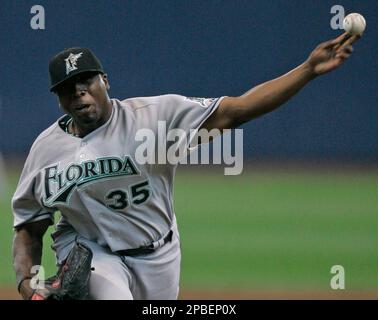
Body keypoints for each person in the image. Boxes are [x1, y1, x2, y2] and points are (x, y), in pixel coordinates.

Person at [12, 32, 359, 300]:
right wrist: (28, 284)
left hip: (159, 251)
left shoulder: (153, 118)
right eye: (67, 89)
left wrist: (308, 69)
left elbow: (235, 111)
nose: (79, 93)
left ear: (105, 81)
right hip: (93, 251)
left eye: (86, 81)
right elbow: (29, 224)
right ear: (57, 99)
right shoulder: (46, 150)